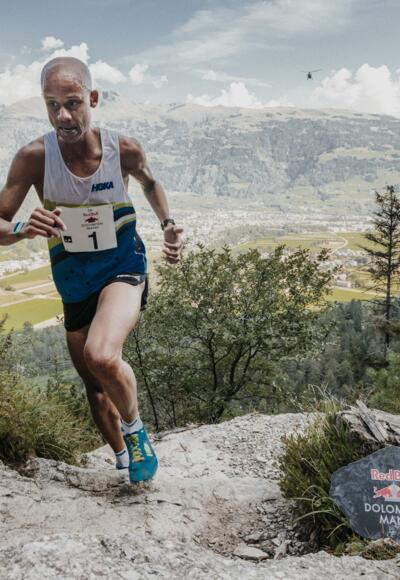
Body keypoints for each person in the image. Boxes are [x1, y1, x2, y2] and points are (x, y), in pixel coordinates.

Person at [0, 57, 184, 483]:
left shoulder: (124, 150)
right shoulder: (33, 158)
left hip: (123, 266)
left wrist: (168, 224)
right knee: (96, 386)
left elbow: (150, 182)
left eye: (72, 103)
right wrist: (24, 228)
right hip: (74, 281)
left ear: (93, 99)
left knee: (100, 354)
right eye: (52, 105)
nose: (63, 116)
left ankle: (136, 433)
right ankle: (122, 460)